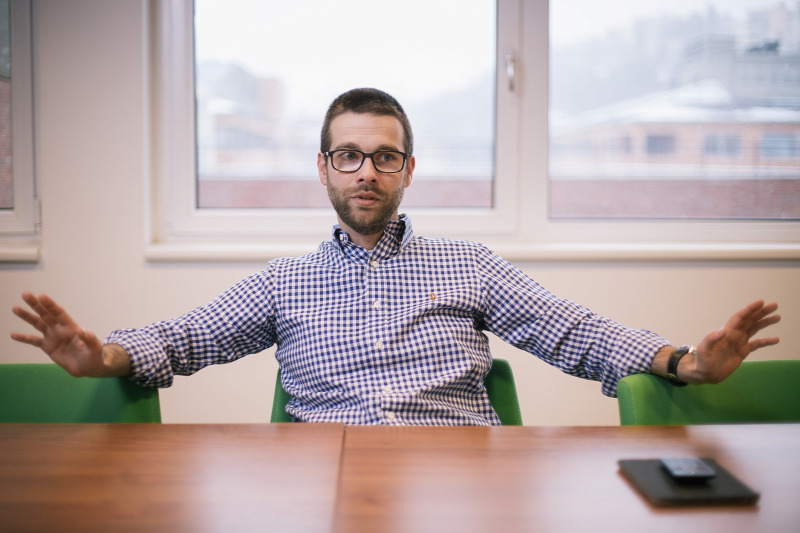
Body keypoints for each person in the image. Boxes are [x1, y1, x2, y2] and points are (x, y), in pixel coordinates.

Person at [11, 88, 781, 425]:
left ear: (408, 169)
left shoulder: (469, 265)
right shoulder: (285, 282)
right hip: (322, 486)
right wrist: (100, 356)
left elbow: (572, 331)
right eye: (348, 155)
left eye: (384, 156)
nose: (366, 172)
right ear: (324, 168)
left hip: (462, 483)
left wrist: (684, 361)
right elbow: (184, 338)